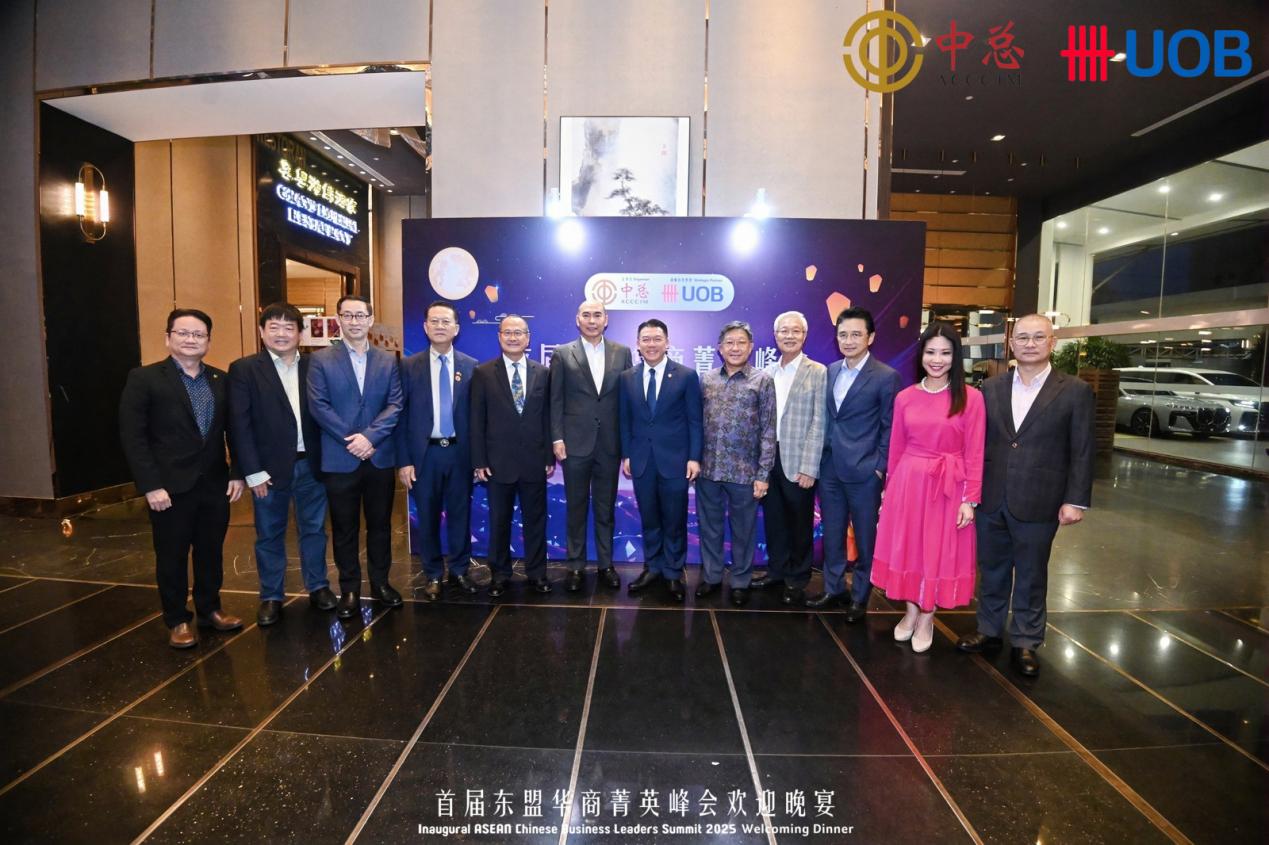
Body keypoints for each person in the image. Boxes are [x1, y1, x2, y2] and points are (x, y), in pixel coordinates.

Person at [956, 314, 1094, 677]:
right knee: (992, 569)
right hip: (991, 496)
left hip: (1041, 498)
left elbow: (1082, 449)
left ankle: (1026, 641)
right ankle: (989, 630)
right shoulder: (991, 388)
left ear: (1052, 343)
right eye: (1022, 338)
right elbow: (976, 443)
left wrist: (1075, 500)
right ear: (1011, 343)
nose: (1029, 344)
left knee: (1032, 574)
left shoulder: (1075, 390)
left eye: (1038, 337)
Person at [119, 308, 245, 648]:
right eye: (183, 333)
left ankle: (210, 609)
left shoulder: (220, 379)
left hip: (214, 484)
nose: (191, 339)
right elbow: (133, 437)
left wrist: (237, 473)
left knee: (210, 551)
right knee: (171, 555)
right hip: (169, 487)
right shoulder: (144, 379)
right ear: (168, 338)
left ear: (208, 341)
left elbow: (234, 431)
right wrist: (150, 485)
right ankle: (176, 619)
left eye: (199, 334)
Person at [871, 322, 985, 652]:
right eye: (931, 352)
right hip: (908, 483)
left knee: (936, 551)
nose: (937, 360)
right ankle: (910, 612)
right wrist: (888, 491)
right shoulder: (905, 397)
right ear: (921, 355)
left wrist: (970, 499)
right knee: (909, 548)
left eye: (945, 353)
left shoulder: (971, 398)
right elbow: (896, 448)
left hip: (949, 487)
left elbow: (975, 452)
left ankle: (927, 616)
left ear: (955, 356)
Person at [227, 302, 333, 627]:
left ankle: (318, 586)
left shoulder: (316, 366)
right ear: (261, 332)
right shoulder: (245, 369)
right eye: (274, 327)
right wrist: (251, 471)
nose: (282, 333)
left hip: (312, 465)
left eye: (289, 327)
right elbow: (239, 424)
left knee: (314, 530)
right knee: (269, 534)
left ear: (300, 333)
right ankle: (271, 595)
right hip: (267, 472)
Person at [307, 295, 404, 619]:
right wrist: (353, 439)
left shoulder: (388, 360)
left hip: (378, 456)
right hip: (340, 457)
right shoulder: (320, 360)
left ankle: (381, 583)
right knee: (344, 528)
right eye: (347, 315)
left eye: (360, 315)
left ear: (370, 319)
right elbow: (319, 406)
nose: (354, 321)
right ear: (339, 319)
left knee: (380, 526)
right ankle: (349, 589)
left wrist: (370, 437)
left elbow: (395, 404)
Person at [806, 306, 901, 621]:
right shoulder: (830, 371)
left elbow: (890, 427)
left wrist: (880, 467)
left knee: (864, 538)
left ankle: (859, 597)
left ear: (870, 337)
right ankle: (834, 589)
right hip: (830, 468)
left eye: (856, 334)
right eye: (843, 334)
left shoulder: (886, 376)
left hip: (865, 471)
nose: (848, 340)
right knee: (832, 533)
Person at [396, 301, 479, 601]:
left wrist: (478, 459)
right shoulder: (408, 366)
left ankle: (459, 570)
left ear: (456, 328)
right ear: (425, 327)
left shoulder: (472, 366)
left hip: (460, 453)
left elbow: (478, 418)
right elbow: (400, 416)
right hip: (425, 455)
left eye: (446, 321)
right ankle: (432, 574)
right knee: (427, 516)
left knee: (460, 514)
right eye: (435, 321)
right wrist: (404, 461)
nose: (440, 326)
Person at [549, 300, 633, 592]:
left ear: (606, 320)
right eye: (587, 315)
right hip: (574, 444)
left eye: (598, 315)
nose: (592, 320)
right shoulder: (562, 353)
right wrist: (557, 438)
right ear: (578, 319)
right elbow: (555, 399)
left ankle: (606, 565)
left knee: (605, 508)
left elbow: (628, 401)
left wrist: (627, 447)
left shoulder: (622, 352)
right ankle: (575, 566)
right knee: (575, 507)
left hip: (610, 443)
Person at [471, 315, 554, 597]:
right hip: (497, 463)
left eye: (519, 332)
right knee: (499, 521)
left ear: (528, 338)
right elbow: (476, 420)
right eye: (508, 332)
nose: (513, 337)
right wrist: (479, 460)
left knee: (536, 521)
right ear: (499, 336)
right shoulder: (483, 373)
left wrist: (549, 457)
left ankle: (537, 573)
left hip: (534, 461)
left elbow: (547, 418)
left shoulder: (542, 373)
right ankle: (499, 575)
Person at [620, 319, 703, 603]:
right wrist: (626, 454)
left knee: (674, 519)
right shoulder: (627, 377)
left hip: (676, 461)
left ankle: (673, 573)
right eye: (646, 339)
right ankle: (652, 568)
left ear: (667, 343)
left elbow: (695, 420)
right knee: (650, 517)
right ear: (638, 344)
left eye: (657, 339)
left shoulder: (686, 376)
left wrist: (694, 457)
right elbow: (625, 420)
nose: (651, 344)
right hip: (642, 460)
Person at [695, 321, 776, 607]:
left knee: (743, 530)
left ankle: (741, 581)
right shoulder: (706, 379)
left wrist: (763, 473)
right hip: (708, 469)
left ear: (751, 347)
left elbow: (768, 429)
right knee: (710, 527)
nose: (735, 348)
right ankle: (712, 576)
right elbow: (695, 423)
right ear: (720, 348)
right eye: (729, 342)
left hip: (745, 472)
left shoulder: (762, 380)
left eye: (741, 342)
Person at [754, 311, 826, 605]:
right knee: (774, 520)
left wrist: (810, 466)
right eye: (784, 331)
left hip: (799, 461)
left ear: (804, 336)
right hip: (769, 459)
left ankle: (797, 578)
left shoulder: (817, 371)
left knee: (799, 522)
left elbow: (819, 422)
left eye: (795, 331)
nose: (789, 336)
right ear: (775, 336)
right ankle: (777, 571)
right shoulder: (767, 372)